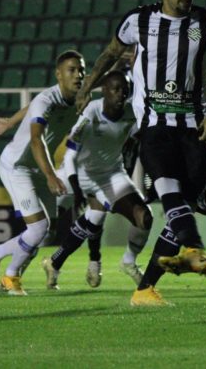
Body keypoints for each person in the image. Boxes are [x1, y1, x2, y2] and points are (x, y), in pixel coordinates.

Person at [75, 0, 206, 306]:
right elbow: (110, 52)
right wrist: (89, 84)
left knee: (182, 210)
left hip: (197, 129)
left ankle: (144, 289)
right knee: (170, 195)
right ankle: (196, 250)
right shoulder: (140, 20)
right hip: (155, 127)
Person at [0, 51, 86, 296]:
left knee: (42, 232)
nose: (78, 75)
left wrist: (10, 121)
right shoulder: (47, 100)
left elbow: (30, 105)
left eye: (81, 69)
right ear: (58, 75)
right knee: (38, 228)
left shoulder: (82, 93)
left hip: (38, 167)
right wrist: (51, 175)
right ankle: (11, 276)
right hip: (17, 165)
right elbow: (37, 140)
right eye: (71, 70)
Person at [41, 71, 153, 289]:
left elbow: (139, 139)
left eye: (125, 90)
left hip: (111, 174)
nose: (121, 94)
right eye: (116, 89)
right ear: (104, 91)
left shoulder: (133, 113)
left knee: (144, 218)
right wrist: (76, 190)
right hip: (79, 173)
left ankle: (127, 261)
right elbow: (70, 155)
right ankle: (14, 270)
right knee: (44, 228)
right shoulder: (92, 112)